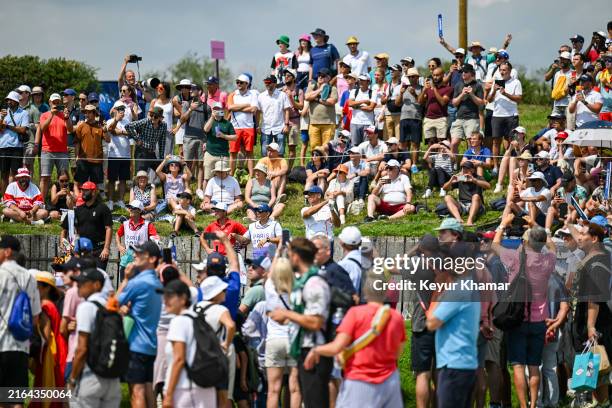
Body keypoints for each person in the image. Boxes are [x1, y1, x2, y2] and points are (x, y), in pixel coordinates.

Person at [303, 270, 405, 408]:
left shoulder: (355, 314)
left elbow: (337, 347)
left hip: (359, 381)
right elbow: (397, 353)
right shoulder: (396, 317)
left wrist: (316, 350)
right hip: (389, 382)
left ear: (365, 291)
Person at [492, 215, 556, 408]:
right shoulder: (547, 261)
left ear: (526, 241)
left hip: (517, 319)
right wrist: (537, 226)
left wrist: (503, 224)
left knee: (518, 366)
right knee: (534, 366)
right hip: (539, 321)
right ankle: (533, 403)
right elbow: (552, 247)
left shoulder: (514, 258)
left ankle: (522, 404)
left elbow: (495, 244)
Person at [269, 237, 332, 408]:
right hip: (302, 349)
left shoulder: (314, 283)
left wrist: (287, 313)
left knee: (315, 403)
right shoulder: (302, 282)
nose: (288, 259)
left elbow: (316, 322)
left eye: (289, 255)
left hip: (314, 352)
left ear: (296, 256)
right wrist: (288, 318)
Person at [425, 237, 481, 408]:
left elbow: (431, 322)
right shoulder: (470, 285)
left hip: (454, 366)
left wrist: (438, 291)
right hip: (465, 363)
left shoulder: (458, 290)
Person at [569, 221, 612, 406]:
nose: (579, 237)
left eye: (583, 234)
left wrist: (590, 325)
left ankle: (600, 402)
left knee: (596, 364)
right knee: (590, 364)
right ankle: (595, 400)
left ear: (594, 238)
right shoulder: (588, 258)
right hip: (582, 318)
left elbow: (595, 297)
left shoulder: (599, 262)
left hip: (596, 322)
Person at [117, 240, 163, 408]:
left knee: (137, 392)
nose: (134, 255)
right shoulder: (157, 282)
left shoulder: (138, 282)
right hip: (151, 344)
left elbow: (112, 304)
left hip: (136, 345)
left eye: (139, 253)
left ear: (151, 259)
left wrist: (126, 279)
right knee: (148, 387)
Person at [68, 268, 121, 408]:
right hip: (112, 378)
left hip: (90, 376)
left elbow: (82, 348)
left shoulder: (86, 307)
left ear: (97, 285)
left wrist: (72, 378)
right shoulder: (112, 307)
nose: (78, 286)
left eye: (82, 283)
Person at [159, 279, 217, 408]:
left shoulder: (179, 321)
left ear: (183, 299)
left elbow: (179, 359)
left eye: (170, 297)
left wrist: (168, 395)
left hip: (185, 389)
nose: (165, 301)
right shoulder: (198, 318)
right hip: (205, 386)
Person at [0, 235, 42, 406]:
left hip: (1, 344)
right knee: (16, 400)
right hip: (20, 347)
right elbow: (35, 316)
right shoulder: (30, 277)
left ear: (7, 252)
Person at [264, 257, 302, 408]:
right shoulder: (298, 288)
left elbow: (270, 273)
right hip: (293, 339)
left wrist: (278, 252)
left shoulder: (269, 287)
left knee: (273, 390)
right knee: (295, 389)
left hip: (274, 339)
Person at [195, 275, 237, 408]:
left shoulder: (196, 307)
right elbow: (230, 326)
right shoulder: (221, 310)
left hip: (201, 355)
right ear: (216, 293)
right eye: (223, 290)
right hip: (219, 356)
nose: (225, 292)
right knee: (224, 396)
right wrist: (226, 344)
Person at [32, 271, 67, 398]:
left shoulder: (44, 306)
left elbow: (45, 336)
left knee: (47, 387)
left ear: (46, 288)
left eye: (37, 286)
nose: (34, 289)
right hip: (58, 347)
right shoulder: (51, 305)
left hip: (49, 352)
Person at [60, 181, 112, 269]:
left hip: (98, 250)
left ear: (94, 192)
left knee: (97, 278)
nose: (83, 193)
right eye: (82, 190)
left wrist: (106, 248)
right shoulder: (78, 210)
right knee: (61, 267)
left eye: (86, 191)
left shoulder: (103, 208)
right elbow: (64, 229)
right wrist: (64, 245)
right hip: (81, 251)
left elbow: (109, 228)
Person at [486, 62, 523, 173]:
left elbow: (519, 99)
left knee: (509, 141)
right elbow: (489, 99)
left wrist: (505, 93)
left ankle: (507, 165)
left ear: (510, 71)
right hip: (497, 115)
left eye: (504, 70)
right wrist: (494, 91)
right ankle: (496, 167)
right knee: (496, 141)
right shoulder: (496, 82)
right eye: (501, 70)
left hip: (511, 116)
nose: (502, 72)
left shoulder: (516, 82)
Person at [34, 92, 72, 200]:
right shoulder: (44, 115)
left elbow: (70, 129)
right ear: (50, 102)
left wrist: (67, 117)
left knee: (64, 178)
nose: (55, 104)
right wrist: (52, 114)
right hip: (47, 151)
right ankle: (41, 202)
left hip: (62, 151)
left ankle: (62, 202)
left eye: (57, 102)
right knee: (45, 178)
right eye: (54, 102)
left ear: (60, 103)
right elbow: (42, 128)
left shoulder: (63, 115)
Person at [178, 84, 211, 200]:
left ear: (200, 91)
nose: (191, 91)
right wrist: (191, 109)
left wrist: (207, 140)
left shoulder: (207, 108)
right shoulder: (186, 104)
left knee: (201, 164)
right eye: (191, 89)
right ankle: (186, 188)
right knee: (187, 163)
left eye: (194, 89)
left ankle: (199, 189)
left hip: (202, 138)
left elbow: (208, 125)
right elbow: (182, 120)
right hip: (189, 138)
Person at [116, 200, 160, 278]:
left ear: (140, 211)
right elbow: (117, 234)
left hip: (140, 261)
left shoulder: (148, 224)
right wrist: (119, 245)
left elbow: (156, 238)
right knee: (124, 286)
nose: (130, 209)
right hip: (126, 261)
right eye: (129, 207)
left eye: (133, 208)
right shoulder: (125, 224)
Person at [450, 65, 486, 156]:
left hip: (472, 119)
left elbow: (481, 103)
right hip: (459, 118)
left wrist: (472, 94)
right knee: (453, 143)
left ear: (471, 73)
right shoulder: (458, 85)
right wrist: (462, 94)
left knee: (471, 144)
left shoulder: (477, 86)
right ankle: (454, 165)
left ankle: (470, 165)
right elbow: (454, 103)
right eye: (462, 71)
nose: (463, 73)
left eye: (465, 72)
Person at [441, 161, 490, 226]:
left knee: (475, 196)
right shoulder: (461, 178)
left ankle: (470, 220)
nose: (464, 170)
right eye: (463, 168)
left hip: (477, 205)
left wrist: (474, 180)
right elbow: (444, 188)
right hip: (462, 205)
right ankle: (459, 219)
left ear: (472, 170)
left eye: (467, 168)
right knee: (447, 197)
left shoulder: (477, 178)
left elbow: (488, 186)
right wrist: (451, 181)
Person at [227, 74, 258, 176]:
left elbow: (253, 109)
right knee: (233, 153)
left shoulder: (252, 94)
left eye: (241, 82)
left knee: (249, 153)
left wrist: (237, 107)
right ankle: (231, 175)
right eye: (237, 82)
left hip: (249, 127)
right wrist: (246, 105)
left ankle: (251, 176)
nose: (238, 84)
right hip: (234, 128)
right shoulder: (232, 95)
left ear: (246, 83)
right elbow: (230, 107)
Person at [74, 104, 110, 191]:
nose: (87, 114)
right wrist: (76, 157)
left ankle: (95, 202)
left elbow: (108, 140)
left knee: (95, 185)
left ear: (94, 114)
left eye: (89, 112)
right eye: (86, 112)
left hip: (97, 160)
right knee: (80, 183)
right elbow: (77, 143)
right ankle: (80, 201)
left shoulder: (100, 127)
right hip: (83, 159)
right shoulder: (81, 126)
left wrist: (105, 130)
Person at [0, 91, 30, 195]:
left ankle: (13, 197)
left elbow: (23, 130)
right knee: (3, 173)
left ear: (17, 101)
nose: (8, 102)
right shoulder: (2, 113)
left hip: (17, 147)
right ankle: (4, 198)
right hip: (3, 146)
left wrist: (8, 126)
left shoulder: (24, 113)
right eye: (7, 100)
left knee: (14, 173)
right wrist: (2, 118)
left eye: (11, 100)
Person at [125, 107, 170, 174]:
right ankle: (136, 184)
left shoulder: (164, 125)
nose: (153, 118)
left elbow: (162, 142)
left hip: (152, 153)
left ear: (161, 118)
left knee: (164, 172)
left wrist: (161, 158)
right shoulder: (145, 121)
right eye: (151, 115)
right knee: (140, 174)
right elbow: (128, 126)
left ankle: (167, 184)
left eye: (156, 116)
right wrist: (137, 139)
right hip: (141, 152)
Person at [105, 102, 133, 209]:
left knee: (123, 179)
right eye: (119, 109)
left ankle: (121, 200)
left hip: (125, 155)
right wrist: (116, 121)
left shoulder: (128, 122)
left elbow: (130, 133)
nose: (121, 111)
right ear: (115, 110)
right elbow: (111, 130)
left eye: (123, 109)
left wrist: (119, 131)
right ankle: (111, 201)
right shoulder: (110, 121)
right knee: (111, 180)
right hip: (113, 155)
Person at [305, 67, 338, 151]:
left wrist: (316, 99)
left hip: (328, 123)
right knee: (314, 148)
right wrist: (320, 90)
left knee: (326, 148)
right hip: (313, 123)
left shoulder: (332, 89)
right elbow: (307, 97)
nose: (320, 77)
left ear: (328, 78)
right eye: (319, 75)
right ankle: (316, 164)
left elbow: (332, 101)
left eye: (323, 76)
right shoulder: (312, 86)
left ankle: (326, 164)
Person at [258, 75, 291, 156]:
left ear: (275, 83)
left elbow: (287, 110)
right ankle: (266, 169)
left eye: (269, 82)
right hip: (265, 129)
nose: (267, 84)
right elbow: (258, 112)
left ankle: (280, 168)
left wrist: (286, 125)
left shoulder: (282, 95)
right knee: (264, 153)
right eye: (265, 82)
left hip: (280, 128)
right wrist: (257, 126)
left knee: (280, 153)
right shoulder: (261, 96)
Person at [418, 67, 452, 144]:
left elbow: (443, 102)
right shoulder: (428, 88)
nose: (435, 77)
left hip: (441, 119)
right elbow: (419, 102)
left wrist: (434, 89)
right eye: (433, 75)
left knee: (442, 143)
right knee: (430, 143)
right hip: (428, 119)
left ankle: (441, 156)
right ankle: (431, 156)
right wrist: (424, 90)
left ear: (443, 75)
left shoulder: (448, 88)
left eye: (437, 75)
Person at [396, 68, 423, 166]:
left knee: (415, 143)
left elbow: (422, 103)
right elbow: (397, 103)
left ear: (417, 77)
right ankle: (405, 162)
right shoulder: (404, 88)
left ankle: (414, 164)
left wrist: (415, 94)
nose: (411, 78)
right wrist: (401, 93)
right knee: (403, 143)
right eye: (409, 77)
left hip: (416, 118)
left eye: (413, 76)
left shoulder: (422, 88)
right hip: (404, 118)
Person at [282, 68, 304, 170]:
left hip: (294, 121)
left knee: (292, 148)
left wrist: (291, 98)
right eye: (285, 76)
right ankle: (280, 169)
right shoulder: (281, 90)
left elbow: (301, 106)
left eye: (288, 76)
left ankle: (288, 171)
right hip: (282, 122)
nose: (286, 77)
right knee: (280, 148)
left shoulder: (299, 91)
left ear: (294, 78)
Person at [149, 81, 177, 157]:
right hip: (155, 131)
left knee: (168, 156)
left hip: (168, 132)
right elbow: (149, 117)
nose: (158, 89)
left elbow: (181, 115)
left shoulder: (172, 101)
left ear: (166, 90)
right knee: (156, 155)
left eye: (161, 88)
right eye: (157, 88)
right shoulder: (154, 101)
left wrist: (176, 128)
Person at [348, 75, 377, 146]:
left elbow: (370, 108)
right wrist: (363, 101)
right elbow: (350, 103)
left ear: (368, 82)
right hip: (354, 123)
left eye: (363, 80)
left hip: (368, 123)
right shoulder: (354, 91)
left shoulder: (373, 92)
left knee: (366, 145)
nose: (360, 82)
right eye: (360, 80)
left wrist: (356, 106)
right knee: (354, 146)